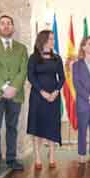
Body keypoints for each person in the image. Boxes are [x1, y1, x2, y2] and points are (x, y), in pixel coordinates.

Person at [0, 15, 28, 172]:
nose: (6, 26)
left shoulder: (22, 48)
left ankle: (11, 159)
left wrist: (13, 87)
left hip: (15, 94)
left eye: (9, 23)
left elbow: (23, 70)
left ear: (13, 27)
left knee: (12, 127)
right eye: (2, 23)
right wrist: (4, 87)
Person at [27, 30, 65, 170]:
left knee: (52, 126)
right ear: (42, 40)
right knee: (37, 126)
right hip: (38, 96)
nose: (52, 41)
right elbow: (31, 77)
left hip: (54, 97)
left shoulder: (57, 58)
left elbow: (62, 78)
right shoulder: (33, 58)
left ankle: (52, 156)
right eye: (50, 39)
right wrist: (42, 92)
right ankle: (37, 157)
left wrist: (55, 92)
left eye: (53, 39)